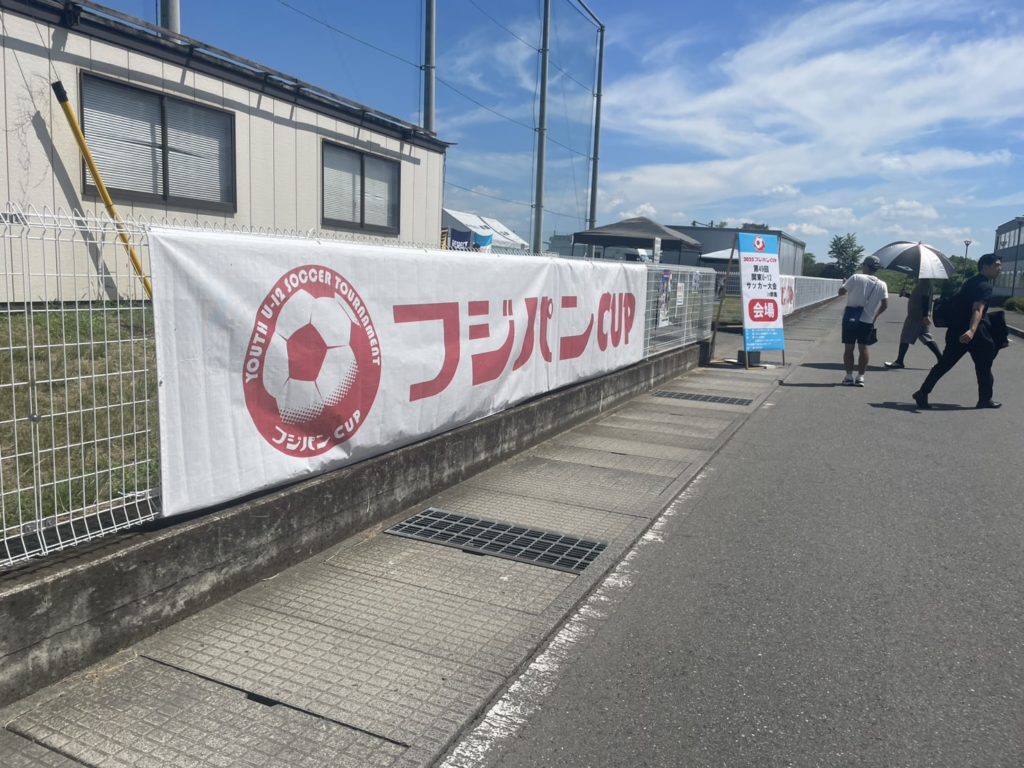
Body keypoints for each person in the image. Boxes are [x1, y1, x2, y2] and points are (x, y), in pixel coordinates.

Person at [912, 254, 1004, 409]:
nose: (1000, 268)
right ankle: (985, 399)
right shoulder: (985, 286)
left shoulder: (970, 282)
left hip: (956, 330)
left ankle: (923, 392)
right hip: (975, 332)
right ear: (985, 266)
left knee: (945, 363)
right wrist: (972, 331)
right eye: (997, 265)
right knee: (984, 366)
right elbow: (977, 309)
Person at [837, 255, 888, 386]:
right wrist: (875, 316)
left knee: (849, 348)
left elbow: (841, 292)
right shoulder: (882, 284)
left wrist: (844, 283)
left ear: (865, 266)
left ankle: (849, 377)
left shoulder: (855, 277)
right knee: (863, 348)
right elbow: (884, 305)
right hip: (867, 320)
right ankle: (860, 377)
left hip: (850, 318)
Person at [883, 279, 943, 369]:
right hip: (919, 315)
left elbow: (925, 299)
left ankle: (899, 361)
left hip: (916, 316)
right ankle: (941, 360)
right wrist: (906, 294)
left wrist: (925, 316)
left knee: (905, 336)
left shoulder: (924, 284)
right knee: (925, 336)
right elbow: (918, 297)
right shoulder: (924, 283)